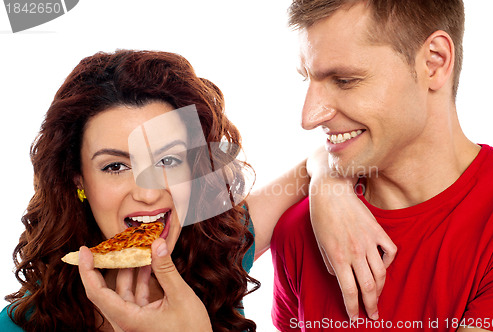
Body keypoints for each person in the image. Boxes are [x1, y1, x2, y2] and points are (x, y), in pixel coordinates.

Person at [0, 50, 395, 331]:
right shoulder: (22, 324)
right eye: (116, 166)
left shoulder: (218, 252)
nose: (149, 193)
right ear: (78, 181)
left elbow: (314, 163)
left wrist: (330, 188)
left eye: (168, 161)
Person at [271, 0, 493, 331]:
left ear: (434, 62)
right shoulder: (298, 232)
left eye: (345, 80)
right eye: (307, 78)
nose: (309, 118)